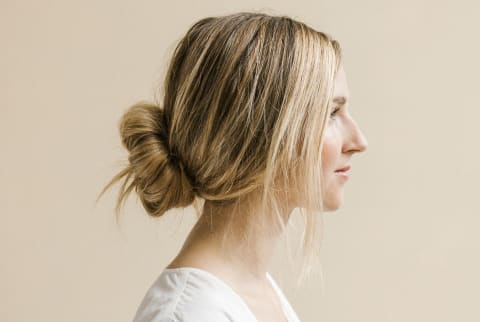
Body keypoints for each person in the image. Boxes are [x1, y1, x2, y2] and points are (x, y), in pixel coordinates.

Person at [98, 11, 368, 322]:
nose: (359, 141)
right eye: (331, 113)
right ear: (260, 133)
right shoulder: (192, 314)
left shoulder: (256, 292)